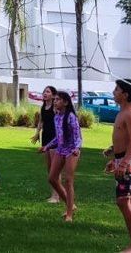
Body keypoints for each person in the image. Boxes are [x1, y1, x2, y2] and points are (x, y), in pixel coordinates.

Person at [107, 78, 131, 253]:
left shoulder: (130, 113)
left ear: (125, 94)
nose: (114, 92)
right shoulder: (121, 112)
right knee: (125, 202)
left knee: (124, 201)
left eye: (117, 89)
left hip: (130, 162)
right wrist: (114, 160)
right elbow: (121, 142)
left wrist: (123, 163)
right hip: (122, 160)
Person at [40, 90, 81, 222]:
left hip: (71, 151)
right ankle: (71, 204)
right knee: (52, 178)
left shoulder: (71, 117)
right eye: (55, 99)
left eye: (57, 99)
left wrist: (76, 148)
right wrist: (46, 146)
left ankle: (69, 214)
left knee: (68, 181)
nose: (55, 101)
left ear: (65, 102)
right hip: (60, 149)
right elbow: (58, 138)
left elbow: (78, 137)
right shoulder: (57, 117)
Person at [30, 85, 58, 202]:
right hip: (45, 138)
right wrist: (37, 133)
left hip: (55, 138)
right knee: (49, 168)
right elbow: (41, 122)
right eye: (44, 92)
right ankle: (54, 194)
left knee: (55, 168)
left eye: (48, 92)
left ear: (53, 95)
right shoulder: (43, 107)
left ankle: (56, 196)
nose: (45, 93)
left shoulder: (55, 108)